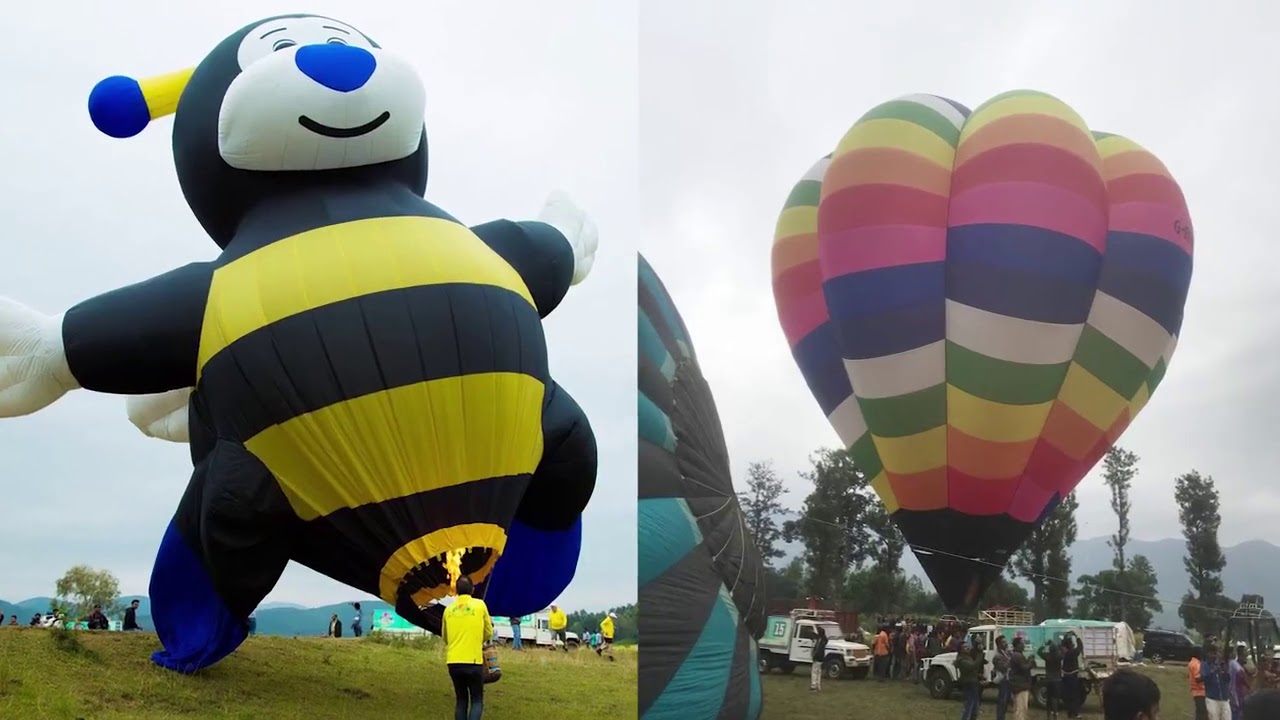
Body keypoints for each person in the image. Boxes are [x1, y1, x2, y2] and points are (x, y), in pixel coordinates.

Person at [442, 575, 492, 720]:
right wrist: (476, 640)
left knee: (461, 700)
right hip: (473, 661)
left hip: (453, 662)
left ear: (456, 591)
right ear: (472, 589)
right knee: (476, 700)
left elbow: (445, 636)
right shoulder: (480, 605)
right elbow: (488, 631)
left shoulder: (448, 610)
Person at [1202, 645, 1234, 720]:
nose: (1214, 656)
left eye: (1215, 653)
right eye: (1212, 653)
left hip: (1224, 698)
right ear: (1207, 654)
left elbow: (1228, 679)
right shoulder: (1205, 665)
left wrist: (1225, 670)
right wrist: (1213, 671)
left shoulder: (1222, 665)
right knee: (1214, 717)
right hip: (1212, 698)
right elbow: (1203, 678)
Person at [1008, 636, 1034, 720]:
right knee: (1021, 709)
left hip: (1019, 684)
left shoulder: (1016, 655)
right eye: (1022, 643)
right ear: (1018, 645)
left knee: (1019, 708)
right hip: (1020, 685)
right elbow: (1024, 668)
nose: (1024, 645)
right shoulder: (1017, 655)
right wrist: (1030, 662)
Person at [1039, 636, 1064, 719]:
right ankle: (1055, 713)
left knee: (1049, 698)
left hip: (1049, 679)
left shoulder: (1047, 656)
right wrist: (1059, 646)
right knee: (1055, 698)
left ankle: (1048, 714)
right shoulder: (1059, 657)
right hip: (1057, 679)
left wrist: (1045, 645)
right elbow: (1063, 651)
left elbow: (1039, 651)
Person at [957, 641, 983, 720]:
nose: (967, 648)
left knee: (975, 708)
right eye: (965, 647)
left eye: (968, 646)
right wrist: (980, 654)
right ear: (961, 650)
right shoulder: (962, 660)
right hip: (969, 684)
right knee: (969, 706)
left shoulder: (968, 657)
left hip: (973, 683)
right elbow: (972, 666)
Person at [1062, 634, 1084, 719]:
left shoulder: (1064, 652)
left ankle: (1070, 713)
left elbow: (1063, 643)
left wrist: (1066, 636)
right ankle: (1076, 713)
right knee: (1075, 695)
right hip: (1073, 676)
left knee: (1068, 695)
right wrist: (1077, 637)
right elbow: (1080, 647)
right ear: (1071, 645)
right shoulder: (1072, 653)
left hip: (1065, 675)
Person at [992, 635, 1012, 720]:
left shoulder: (1006, 653)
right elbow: (1003, 668)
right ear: (999, 644)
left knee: (1006, 701)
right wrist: (1010, 660)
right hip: (1003, 680)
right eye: (1003, 642)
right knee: (1002, 701)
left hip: (1008, 680)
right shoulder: (997, 656)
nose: (1006, 643)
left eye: (1006, 641)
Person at [1189, 647, 1208, 720]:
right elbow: (1198, 679)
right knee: (1202, 713)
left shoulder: (1193, 662)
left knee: (1200, 712)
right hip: (1199, 691)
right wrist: (1208, 676)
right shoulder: (1196, 664)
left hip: (1197, 691)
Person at [810, 625, 828, 691]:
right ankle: (818, 686)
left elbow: (817, 649)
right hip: (821, 657)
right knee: (819, 672)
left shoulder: (819, 641)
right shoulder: (824, 640)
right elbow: (818, 636)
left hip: (817, 657)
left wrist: (814, 656)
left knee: (814, 671)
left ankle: (813, 686)